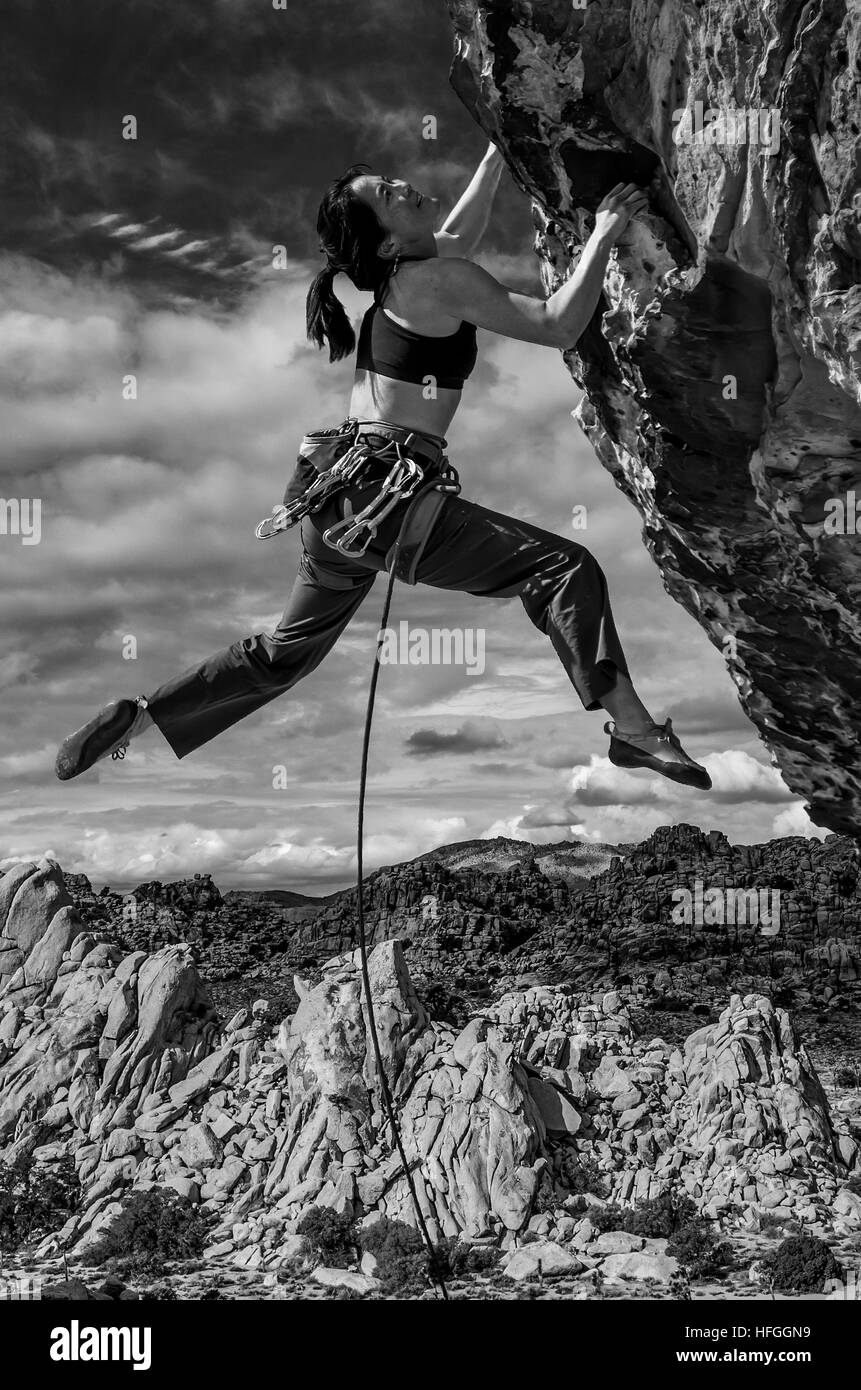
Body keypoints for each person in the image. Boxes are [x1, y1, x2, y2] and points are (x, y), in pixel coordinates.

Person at [55, 142, 711, 792]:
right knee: (561, 567)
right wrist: (600, 234)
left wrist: (495, 154)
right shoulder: (433, 281)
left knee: (287, 654)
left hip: (331, 498)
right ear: (387, 242)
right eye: (385, 195)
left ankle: (143, 717)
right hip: (385, 498)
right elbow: (557, 325)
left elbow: (459, 230)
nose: (401, 185)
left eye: (390, 181)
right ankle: (633, 730)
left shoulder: (411, 280)